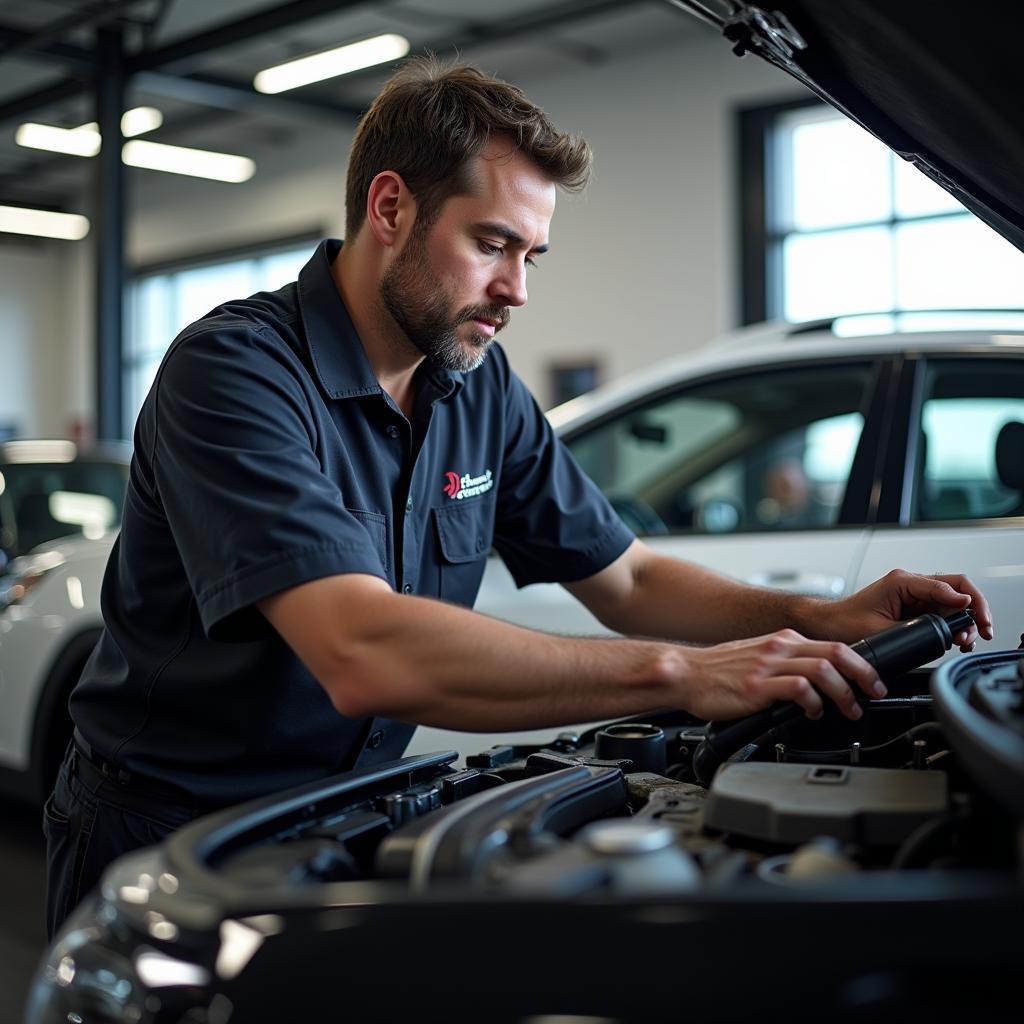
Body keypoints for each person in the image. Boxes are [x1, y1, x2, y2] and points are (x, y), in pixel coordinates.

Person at [44, 58, 992, 938]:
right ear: (390, 207)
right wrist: (681, 674)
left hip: (347, 819)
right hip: (167, 837)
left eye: (532, 255)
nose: (517, 289)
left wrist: (812, 616)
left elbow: (626, 577)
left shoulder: (479, 388)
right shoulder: (238, 371)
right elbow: (360, 650)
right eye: (493, 243)